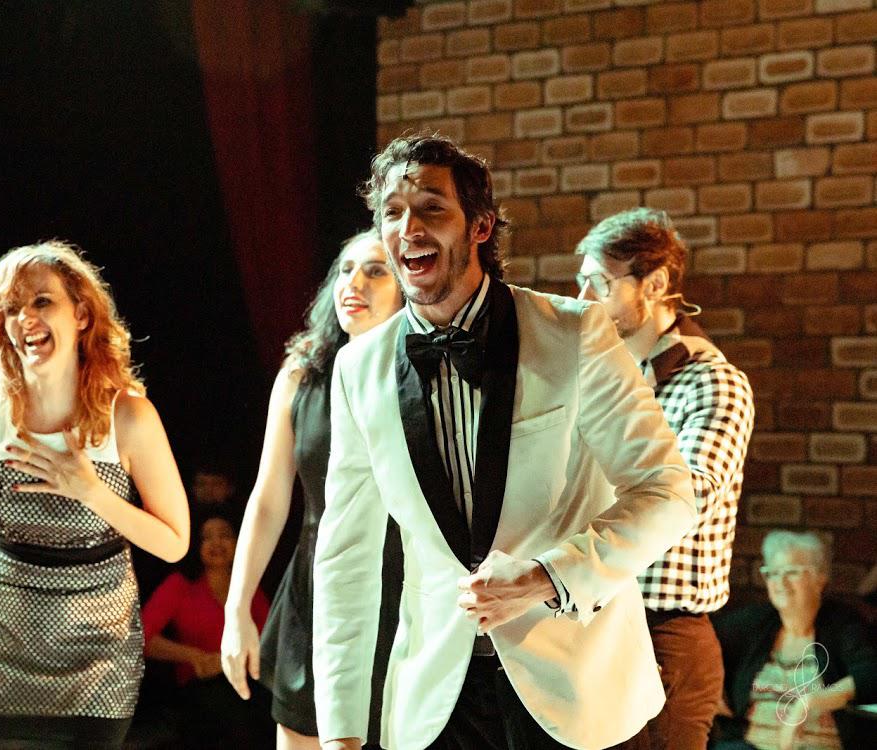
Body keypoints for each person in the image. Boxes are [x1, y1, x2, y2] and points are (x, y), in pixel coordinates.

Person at [312, 134, 698, 750]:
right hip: (437, 702)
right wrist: (340, 730)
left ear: (481, 226)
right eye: (393, 212)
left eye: (432, 208)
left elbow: (668, 492)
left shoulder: (575, 334)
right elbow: (345, 556)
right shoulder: (359, 369)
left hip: (577, 690)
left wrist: (549, 576)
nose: (409, 227)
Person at [0, 240, 191, 750]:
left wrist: (92, 491)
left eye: (41, 301)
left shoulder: (129, 416)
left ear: (81, 315)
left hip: (98, 660)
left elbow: (174, 543)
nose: (25, 319)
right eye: (11, 308)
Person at [575, 208, 755, 750]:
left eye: (599, 283)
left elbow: (686, 498)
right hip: (603, 624)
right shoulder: (615, 381)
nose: (583, 299)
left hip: (665, 636)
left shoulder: (712, 381)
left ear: (653, 285)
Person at [221, 230, 405, 749]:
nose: (354, 283)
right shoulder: (302, 375)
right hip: (316, 586)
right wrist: (237, 607)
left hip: (401, 585)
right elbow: (268, 499)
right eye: (345, 270)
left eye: (375, 271)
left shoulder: (420, 376)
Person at [712, 530, 877, 750]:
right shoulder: (753, 623)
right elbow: (700, 644)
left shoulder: (841, 624)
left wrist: (809, 702)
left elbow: (870, 675)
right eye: (772, 573)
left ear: (820, 578)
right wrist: (709, 690)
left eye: (791, 572)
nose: (780, 582)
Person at [143, 509, 273, 747]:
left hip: (247, 681)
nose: (216, 543)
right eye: (207, 537)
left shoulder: (248, 584)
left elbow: (269, 638)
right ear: (196, 545)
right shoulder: (180, 584)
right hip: (197, 685)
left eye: (224, 535)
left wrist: (233, 661)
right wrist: (194, 657)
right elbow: (142, 637)